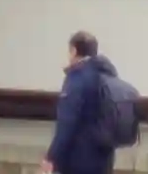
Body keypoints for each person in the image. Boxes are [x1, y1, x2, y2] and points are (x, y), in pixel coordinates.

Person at [44, 30, 120, 174]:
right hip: (105, 160)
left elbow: (67, 122)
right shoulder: (108, 76)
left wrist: (52, 157)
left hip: (79, 160)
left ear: (74, 51)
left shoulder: (77, 78)